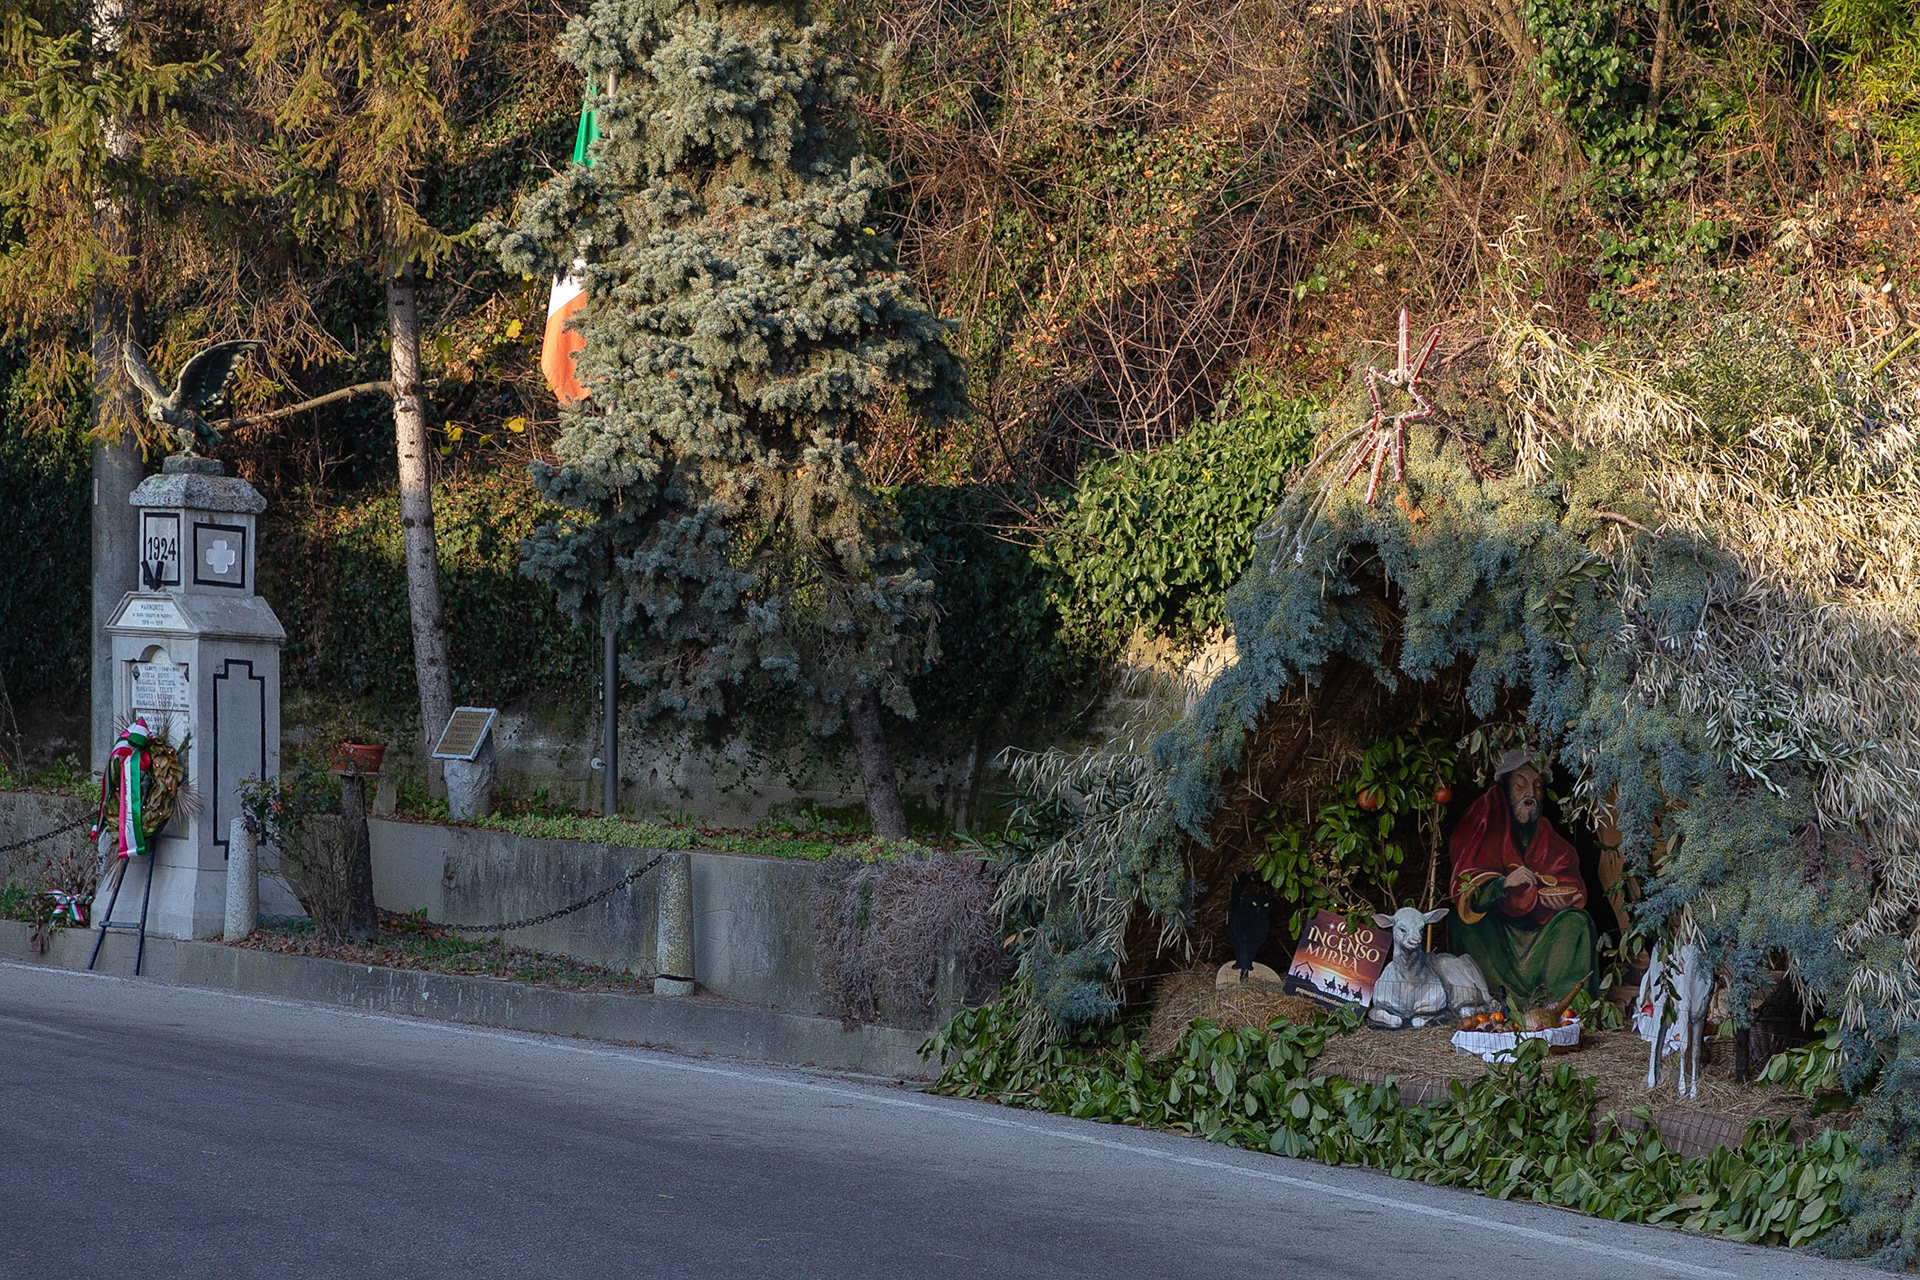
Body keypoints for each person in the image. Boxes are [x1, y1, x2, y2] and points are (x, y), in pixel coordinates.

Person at [1448, 750, 1598, 1002]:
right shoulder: (1485, 822)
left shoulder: (1548, 836)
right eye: (1521, 784)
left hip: (1539, 937)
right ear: (1505, 789)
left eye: (1537, 787)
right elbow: (1466, 887)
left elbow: (1568, 879)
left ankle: (1560, 1007)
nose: (1531, 794)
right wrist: (1502, 883)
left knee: (1577, 922)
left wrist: (1563, 900)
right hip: (1498, 938)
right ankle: (1486, 1002)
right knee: (1462, 922)